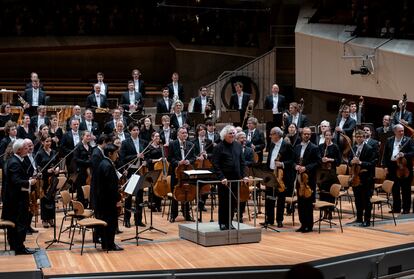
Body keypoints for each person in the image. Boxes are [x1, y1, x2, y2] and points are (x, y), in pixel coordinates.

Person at [1, 139, 37, 255]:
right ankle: (19, 247)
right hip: (16, 200)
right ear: (19, 150)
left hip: (17, 198)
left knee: (18, 223)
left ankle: (15, 245)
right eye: (26, 148)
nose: (28, 150)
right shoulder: (14, 163)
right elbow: (16, 181)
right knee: (20, 223)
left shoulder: (18, 160)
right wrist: (29, 182)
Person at [212, 125, 248, 230]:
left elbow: (242, 162)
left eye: (233, 133)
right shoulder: (219, 147)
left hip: (235, 179)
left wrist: (244, 176)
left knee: (232, 202)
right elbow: (215, 164)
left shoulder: (237, 145)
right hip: (224, 180)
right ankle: (222, 223)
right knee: (224, 202)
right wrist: (221, 177)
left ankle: (229, 222)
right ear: (225, 135)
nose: (232, 135)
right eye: (230, 133)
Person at [95, 143, 124, 251]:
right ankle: (109, 244)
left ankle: (107, 244)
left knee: (108, 222)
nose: (117, 156)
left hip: (103, 199)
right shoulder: (107, 165)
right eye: (116, 153)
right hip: (108, 201)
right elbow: (110, 187)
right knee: (110, 223)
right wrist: (117, 199)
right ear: (110, 153)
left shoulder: (104, 163)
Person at [264, 127, 294, 228]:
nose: (270, 136)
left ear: (277, 134)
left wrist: (282, 164)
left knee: (280, 199)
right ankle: (270, 219)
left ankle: (279, 220)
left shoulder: (287, 145)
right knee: (269, 198)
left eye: (271, 134)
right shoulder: (272, 144)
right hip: (271, 175)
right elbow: (269, 160)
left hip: (281, 176)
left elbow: (293, 160)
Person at [119, 122, 147, 228]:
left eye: (137, 130)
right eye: (134, 130)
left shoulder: (143, 142)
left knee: (139, 197)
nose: (136, 131)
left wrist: (146, 161)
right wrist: (136, 156)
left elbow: (147, 156)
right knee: (129, 197)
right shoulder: (125, 143)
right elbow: (123, 158)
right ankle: (127, 219)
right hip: (131, 172)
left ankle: (138, 220)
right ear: (130, 131)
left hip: (140, 171)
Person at [293, 127, 321, 233]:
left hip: (309, 179)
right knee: (300, 202)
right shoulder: (297, 147)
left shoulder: (314, 147)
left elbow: (318, 162)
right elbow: (292, 161)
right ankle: (302, 223)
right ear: (301, 135)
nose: (306, 135)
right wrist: (295, 166)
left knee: (308, 203)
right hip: (299, 179)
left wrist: (306, 168)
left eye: (308, 134)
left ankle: (309, 225)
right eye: (305, 134)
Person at [382, 124, 414, 214]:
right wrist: (384, 166)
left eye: (402, 131)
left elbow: (413, 152)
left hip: (404, 167)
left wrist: (404, 154)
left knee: (405, 189)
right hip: (392, 166)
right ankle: (396, 208)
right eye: (400, 131)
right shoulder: (389, 140)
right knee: (395, 188)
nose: (401, 132)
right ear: (395, 131)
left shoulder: (408, 140)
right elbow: (385, 154)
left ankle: (406, 208)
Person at [167, 126, 196, 222]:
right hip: (176, 173)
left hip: (187, 173)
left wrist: (189, 161)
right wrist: (178, 162)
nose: (185, 134)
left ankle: (186, 214)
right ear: (178, 134)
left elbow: (193, 158)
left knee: (186, 192)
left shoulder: (190, 144)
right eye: (182, 133)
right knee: (175, 193)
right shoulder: (172, 144)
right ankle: (173, 215)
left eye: (186, 133)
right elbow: (169, 158)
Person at [348, 130, 376, 227]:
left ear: (364, 137)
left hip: (366, 178)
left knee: (366, 200)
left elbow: (371, 164)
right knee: (357, 199)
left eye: (361, 137)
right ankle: (359, 218)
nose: (359, 138)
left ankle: (367, 220)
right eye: (357, 137)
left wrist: (360, 162)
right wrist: (351, 161)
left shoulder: (369, 149)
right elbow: (349, 161)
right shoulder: (354, 148)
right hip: (356, 178)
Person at [36, 135, 60, 228]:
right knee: (45, 198)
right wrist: (46, 171)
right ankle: (45, 219)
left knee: (52, 198)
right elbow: (38, 168)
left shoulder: (54, 152)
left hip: (53, 178)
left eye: (50, 141)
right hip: (44, 179)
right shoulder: (39, 153)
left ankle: (51, 218)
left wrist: (57, 168)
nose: (49, 143)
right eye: (46, 141)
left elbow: (57, 163)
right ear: (42, 142)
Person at [317, 129, 341, 219]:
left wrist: (330, 160)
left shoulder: (335, 147)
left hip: (331, 173)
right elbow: (317, 158)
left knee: (330, 192)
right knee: (323, 192)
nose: (327, 137)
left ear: (332, 136)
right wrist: (321, 160)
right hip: (322, 173)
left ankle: (330, 211)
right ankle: (324, 211)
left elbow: (339, 161)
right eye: (326, 135)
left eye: (329, 135)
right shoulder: (320, 146)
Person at [72, 130, 93, 208]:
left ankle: (86, 205)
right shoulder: (78, 146)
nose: (88, 137)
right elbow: (75, 159)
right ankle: (80, 208)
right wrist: (86, 162)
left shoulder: (90, 147)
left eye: (89, 136)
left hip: (88, 172)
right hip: (80, 171)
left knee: (87, 189)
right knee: (80, 190)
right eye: (87, 136)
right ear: (82, 136)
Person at [145, 132, 164, 212]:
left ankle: (158, 204)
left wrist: (164, 159)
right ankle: (152, 204)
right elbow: (147, 160)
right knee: (152, 187)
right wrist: (157, 160)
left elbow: (163, 156)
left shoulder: (160, 147)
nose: (158, 138)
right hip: (152, 168)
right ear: (152, 138)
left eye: (158, 136)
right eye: (156, 136)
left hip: (160, 168)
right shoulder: (149, 147)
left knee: (159, 186)